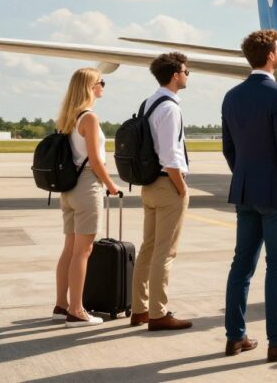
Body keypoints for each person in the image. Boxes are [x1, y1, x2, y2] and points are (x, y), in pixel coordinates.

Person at [222, 29, 277, 361]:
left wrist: (246, 176)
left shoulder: (231, 96)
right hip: (276, 194)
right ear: (272, 55)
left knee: (241, 265)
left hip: (245, 191)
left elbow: (228, 149)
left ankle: (235, 337)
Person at [52, 67, 121, 327]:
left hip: (68, 188)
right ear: (91, 87)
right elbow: (95, 159)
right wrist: (112, 185)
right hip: (86, 186)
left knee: (69, 249)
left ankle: (61, 304)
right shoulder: (89, 118)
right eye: (101, 82)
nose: (103, 86)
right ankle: (77, 310)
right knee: (84, 251)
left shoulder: (67, 118)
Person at [130, 52, 193, 331]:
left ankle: (140, 309)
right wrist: (182, 189)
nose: (188, 75)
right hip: (167, 185)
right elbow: (171, 156)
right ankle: (158, 313)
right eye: (186, 71)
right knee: (164, 252)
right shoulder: (170, 108)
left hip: (148, 184)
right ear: (175, 75)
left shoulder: (149, 103)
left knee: (148, 248)